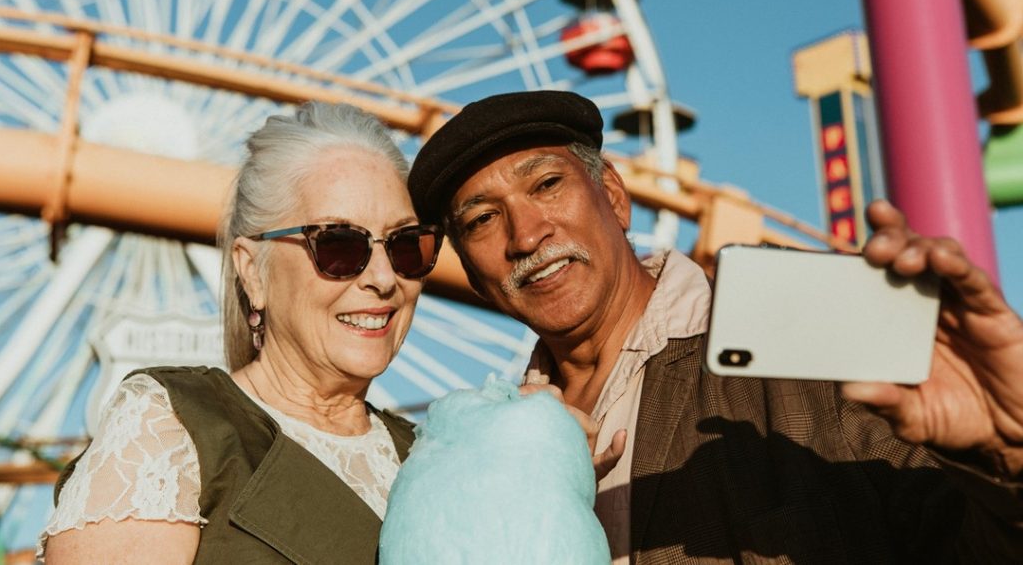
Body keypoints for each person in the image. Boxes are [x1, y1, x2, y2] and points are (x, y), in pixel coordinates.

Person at [408, 89, 1023, 564]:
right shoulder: (484, 447)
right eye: (483, 220)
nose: (526, 236)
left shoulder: (801, 342)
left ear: (615, 197)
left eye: (547, 185)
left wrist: (1007, 456)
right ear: (468, 265)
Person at [40, 102, 443, 564]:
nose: (384, 278)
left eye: (407, 245)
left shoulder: (435, 457)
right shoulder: (172, 429)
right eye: (338, 244)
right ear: (252, 271)